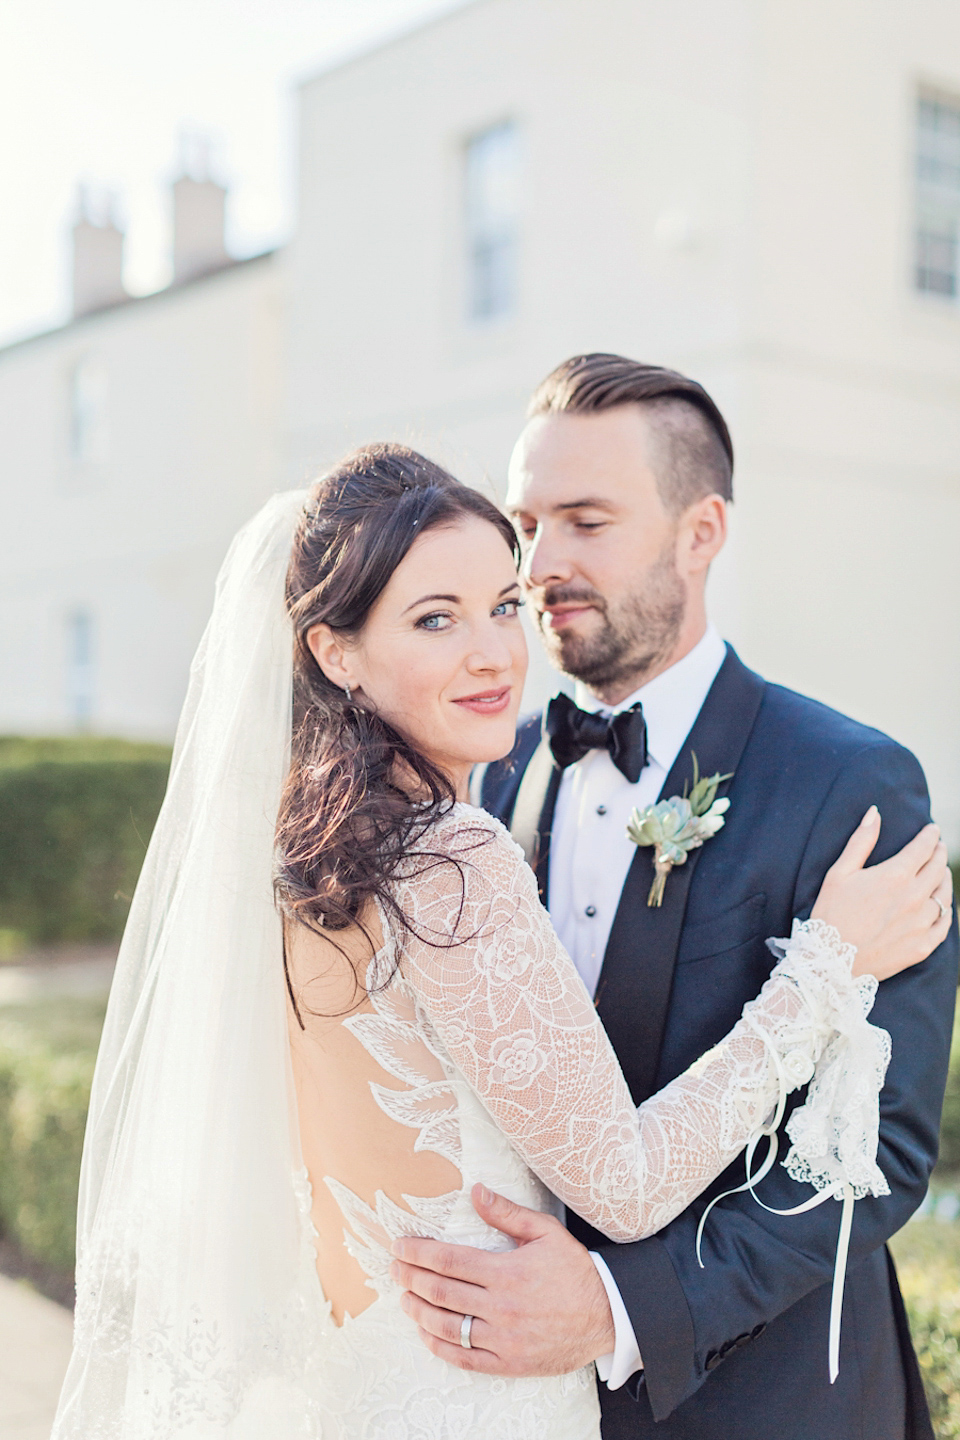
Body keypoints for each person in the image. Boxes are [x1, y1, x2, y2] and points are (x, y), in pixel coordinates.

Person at [52, 443, 951, 1440]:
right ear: (333, 651)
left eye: (503, 606)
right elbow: (628, 1181)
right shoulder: (449, 860)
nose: (495, 652)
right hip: (481, 1393)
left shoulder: (291, 857)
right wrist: (824, 970)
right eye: (436, 618)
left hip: (358, 1384)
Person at [392, 357, 960, 1440]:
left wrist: (617, 1310)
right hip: (517, 1399)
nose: (541, 561)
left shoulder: (852, 784)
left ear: (701, 533)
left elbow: (873, 1156)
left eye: (587, 521)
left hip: (773, 1403)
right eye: (527, 522)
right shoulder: (482, 776)